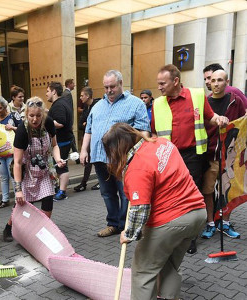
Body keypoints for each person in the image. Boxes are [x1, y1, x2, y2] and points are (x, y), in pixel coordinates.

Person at [103, 123, 206, 300]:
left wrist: (128, 234)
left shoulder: (137, 166)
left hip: (170, 220)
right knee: (167, 265)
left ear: (117, 148)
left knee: (143, 271)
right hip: (197, 213)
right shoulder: (161, 143)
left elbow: (140, 208)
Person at [152, 64, 229, 254]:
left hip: (193, 156)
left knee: (191, 197)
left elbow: (209, 117)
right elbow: (154, 133)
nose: (159, 87)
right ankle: (173, 232)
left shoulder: (196, 95)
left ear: (175, 81)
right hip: (168, 156)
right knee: (171, 195)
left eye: (163, 83)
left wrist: (219, 119)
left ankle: (190, 237)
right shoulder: (157, 103)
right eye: (158, 84)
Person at [80, 70, 150, 237]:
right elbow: (89, 130)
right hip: (99, 158)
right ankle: (113, 224)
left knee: (126, 193)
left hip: (122, 159)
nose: (109, 90)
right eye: (106, 87)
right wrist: (83, 150)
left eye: (112, 86)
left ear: (120, 84)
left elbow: (144, 132)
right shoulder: (97, 106)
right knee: (107, 193)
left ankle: (126, 225)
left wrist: (139, 155)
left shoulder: (135, 104)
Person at [3, 97, 65, 242]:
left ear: (43, 114)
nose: (35, 119)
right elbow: (17, 162)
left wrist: (58, 159)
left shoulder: (48, 123)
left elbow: (54, 145)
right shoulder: (22, 131)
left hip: (44, 168)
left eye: (38, 115)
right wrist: (18, 189)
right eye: (31, 115)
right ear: (26, 114)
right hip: (27, 170)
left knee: (48, 198)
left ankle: (41, 229)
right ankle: (8, 226)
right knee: (21, 202)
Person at [200, 70, 244, 239]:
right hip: (210, 155)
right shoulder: (205, 102)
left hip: (230, 155)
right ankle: (210, 223)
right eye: (213, 80)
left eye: (220, 80)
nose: (216, 83)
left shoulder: (236, 100)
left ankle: (224, 223)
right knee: (208, 191)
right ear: (209, 83)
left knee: (227, 191)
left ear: (227, 82)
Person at [0, 96, 20, 209]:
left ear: (5, 107)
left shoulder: (13, 116)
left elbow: (22, 128)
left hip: (11, 151)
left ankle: (18, 198)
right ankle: (5, 199)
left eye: (0, 108)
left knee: (13, 175)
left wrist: (13, 127)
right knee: (3, 177)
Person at [47, 81, 73, 201]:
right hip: (64, 139)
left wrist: (45, 122)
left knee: (61, 166)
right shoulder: (62, 103)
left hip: (62, 140)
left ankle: (62, 192)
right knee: (60, 166)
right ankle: (60, 189)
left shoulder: (58, 105)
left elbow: (60, 122)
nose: (46, 94)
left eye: (48, 91)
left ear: (54, 91)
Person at [74, 87, 100, 192]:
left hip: (98, 138)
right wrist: (86, 125)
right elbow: (80, 124)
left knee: (98, 161)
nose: (80, 98)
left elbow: (95, 124)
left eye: (81, 95)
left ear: (88, 96)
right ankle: (83, 183)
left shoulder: (97, 106)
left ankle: (100, 182)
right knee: (88, 160)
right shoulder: (86, 107)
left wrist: (87, 124)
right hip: (89, 138)